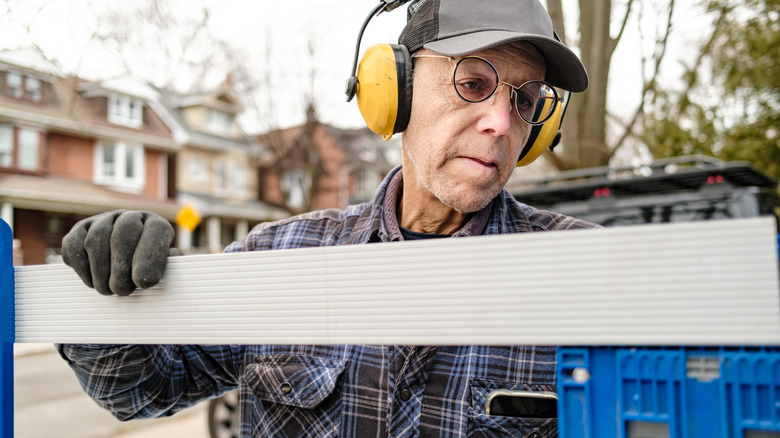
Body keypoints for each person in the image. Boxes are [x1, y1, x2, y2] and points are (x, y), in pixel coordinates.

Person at [57, 0, 598, 436]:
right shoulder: (278, 257)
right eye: (474, 83)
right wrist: (104, 293)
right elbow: (137, 391)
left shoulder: (585, 273)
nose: (501, 121)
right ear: (397, 90)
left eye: (526, 100)